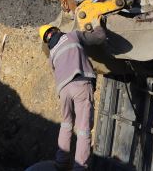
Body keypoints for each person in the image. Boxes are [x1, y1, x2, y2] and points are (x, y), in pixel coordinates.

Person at [39, 19, 106, 170]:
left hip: (63, 92)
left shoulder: (52, 55)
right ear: (56, 30)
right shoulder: (72, 36)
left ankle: (61, 162)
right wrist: (97, 24)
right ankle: (80, 167)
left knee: (66, 125)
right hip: (80, 84)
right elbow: (99, 37)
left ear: (46, 40)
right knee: (83, 129)